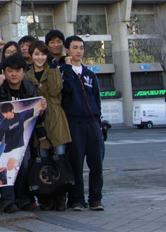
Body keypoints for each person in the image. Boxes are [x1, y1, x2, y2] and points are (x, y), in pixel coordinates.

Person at [24, 41, 72, 211]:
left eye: (43, 54)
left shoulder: (53, 70)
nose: (40, 58)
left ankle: (61, 196)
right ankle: (47, 197)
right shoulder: (27, 76)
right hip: (39, 120)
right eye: (36, 54)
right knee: (43, 160)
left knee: (60, 159)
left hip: (57, 118)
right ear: (31, 55)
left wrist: (52, 71)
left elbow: (54, 91)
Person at [59, 35, 105, 212]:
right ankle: (76, 199)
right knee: (75, 164)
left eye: (81, 47)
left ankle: (95, 199)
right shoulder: (63, 72)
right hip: (74, 122)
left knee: (96, 163)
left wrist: (99, 122)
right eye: (75, 47)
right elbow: (67, 89)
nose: (79, 51)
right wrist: (68, 67)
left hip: (92, 122)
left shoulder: (90, 75)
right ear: (67, 50)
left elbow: (96, 100)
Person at [0, 54, 40, 213]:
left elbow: (37, 115)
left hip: (22, 140)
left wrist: (42, 109)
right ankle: (7, 201)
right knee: (5, 168)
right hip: (4, 141)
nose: (14, 74)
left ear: (23, 72)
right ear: (4, 72)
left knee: (23, 167)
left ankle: (22, 199)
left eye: (18, 70)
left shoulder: (29, 89)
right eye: (10, 70)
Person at [0, 100, 45, 196]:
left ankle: (11, 184)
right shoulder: (3, 124)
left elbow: (34, 109)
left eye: (7, 112)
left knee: (11, 165)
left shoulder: (20, 116)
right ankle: (12, 172)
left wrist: (42, 105)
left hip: (19, 146)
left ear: (12, 110)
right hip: (7, 149)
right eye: (4, 113)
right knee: (0, 168)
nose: (6, 115)